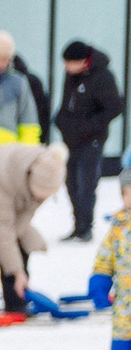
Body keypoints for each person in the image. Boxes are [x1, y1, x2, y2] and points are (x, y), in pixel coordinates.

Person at [0, 143, 66, 315]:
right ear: (30, 183)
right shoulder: (5, 176)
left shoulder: (45, 167)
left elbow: (19, 222)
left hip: (4, 210)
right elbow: (2, 228)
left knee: (21, 244)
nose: (41, 200)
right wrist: (17, 272)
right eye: (39, 196)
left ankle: (16, 298)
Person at [56, 42, 124, 241]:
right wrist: (61, 121)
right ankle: (78, 225)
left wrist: (89, 126)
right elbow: (67, 102)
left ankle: (86, 227)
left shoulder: (103, 76)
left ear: (83, 62)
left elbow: (115, 107)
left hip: (92, 139)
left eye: (70, 63)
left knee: (86, 183)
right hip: (71, 138)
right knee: (70, 182)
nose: (66, 67)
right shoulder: (71, 75)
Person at [91, 168, 131, 350]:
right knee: (122, 348)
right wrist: (100, 281)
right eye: (128, 193)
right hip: (125, 303)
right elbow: (105, 258)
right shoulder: (117, 228)